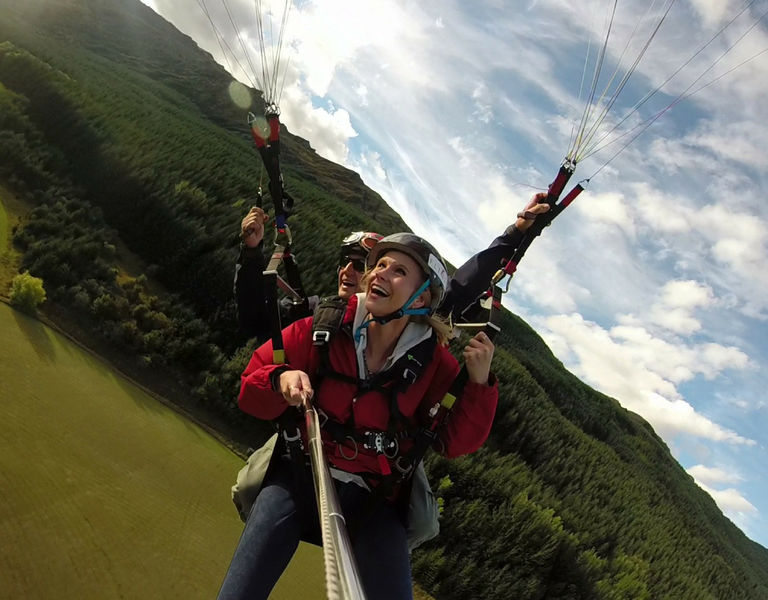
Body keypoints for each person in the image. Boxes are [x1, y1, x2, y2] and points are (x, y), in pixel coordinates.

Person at [218, 234, 499, 600]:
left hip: (372, 500)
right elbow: (250, 391)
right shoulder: (325, 327)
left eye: (399, 271)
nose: (381, 274)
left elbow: (453, 441)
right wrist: (280, 377)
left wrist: (479, 384)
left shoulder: (432, 362)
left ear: (423, 298)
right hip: (301, 477)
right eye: (380, 265)